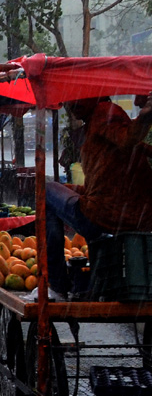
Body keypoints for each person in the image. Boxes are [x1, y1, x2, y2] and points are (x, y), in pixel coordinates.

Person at [44, 95, 152, 297]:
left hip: (104, 217)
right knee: (56, 189)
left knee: (45, 191)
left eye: (78, 98)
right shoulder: (97, 118)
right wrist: (69, 189)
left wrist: (145, 117)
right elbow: (102, 183)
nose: (72, 105)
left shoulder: (104, 111)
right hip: (125, 215)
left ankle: (57, 283)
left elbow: (127, 138)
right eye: (69, 100)